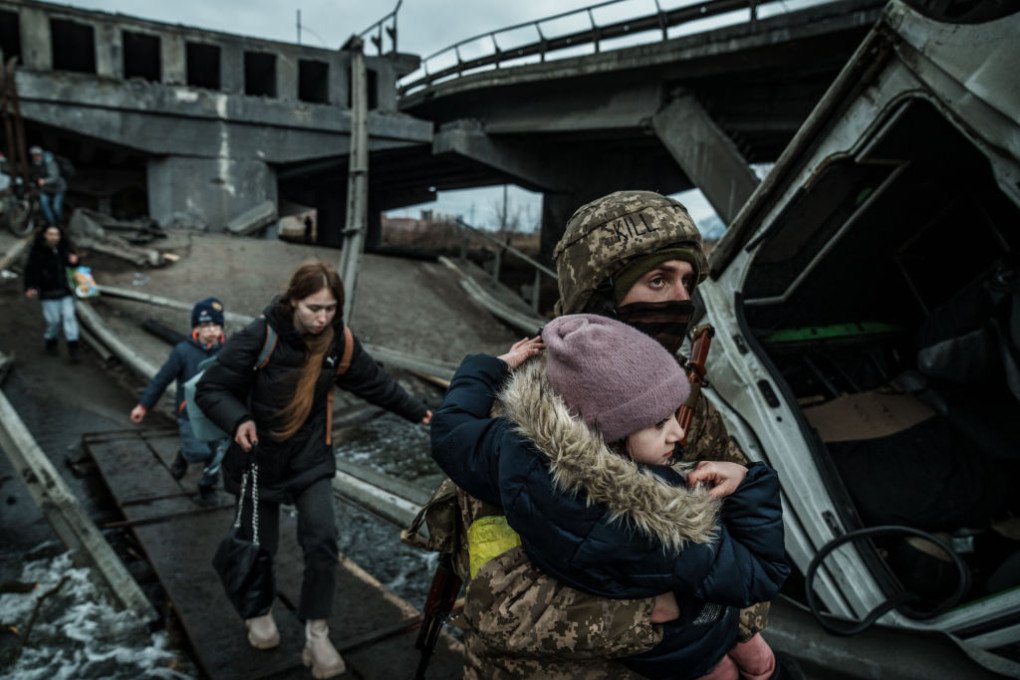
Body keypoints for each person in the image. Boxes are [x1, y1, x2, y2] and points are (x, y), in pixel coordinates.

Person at [432, 190, 787, 678]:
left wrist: (723, 620)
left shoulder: (682, 400)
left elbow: (738, 550)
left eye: (687, 282)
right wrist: (659, 610)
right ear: (600, 298)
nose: (680, 300)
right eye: (658, 280)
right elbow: (499, 608)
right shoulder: (522, 417)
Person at [194, 261, 432, 679]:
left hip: (309, 459)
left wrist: (422, 413)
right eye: (313, 308)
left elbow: (376, 383)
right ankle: (258, 610)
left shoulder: (338, 342)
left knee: (323, 542)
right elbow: (211, 387)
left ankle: (317, 633)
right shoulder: (260, 336)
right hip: (258, 459)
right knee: (259, 546)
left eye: (330, 309)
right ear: (293, 301)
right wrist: (238, 420)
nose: (322, 318)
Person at [130, 297, 229, 508]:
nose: (212, 331)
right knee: (197, 452)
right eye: (206, 326)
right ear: (196, 328)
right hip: (190, 414)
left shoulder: (227, 351)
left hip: (217, 415)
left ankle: (206, 489)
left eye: (216, 325)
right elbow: (161, 379)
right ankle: (184, 455)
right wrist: (143, 405)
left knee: (216, 455)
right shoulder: (183, 352)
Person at [23, 225, 81, 362]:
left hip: (65, 290)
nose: (54, 237)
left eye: (56, 234)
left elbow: (74, 266)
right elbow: (30, 270)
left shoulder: (64, 248)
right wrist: (30, 286)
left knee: (69, 317)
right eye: (50, 234)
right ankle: (50, 340)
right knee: (53, 321)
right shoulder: (37, 252)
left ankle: (74, 349)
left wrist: (75, 261)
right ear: (44, 235)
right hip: (48, 291)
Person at [29, 145, 67, 227]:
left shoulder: (50, 162)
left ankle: (59, 223)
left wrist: (44, 181)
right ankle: (52, 224)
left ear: (41, 154)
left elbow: (55, 177)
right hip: (45, 189)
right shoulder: (36, 163)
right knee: (44, 205)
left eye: (37, 155)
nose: (35, 157)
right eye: (33, 155)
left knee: (56, 207)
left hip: (58, 188)